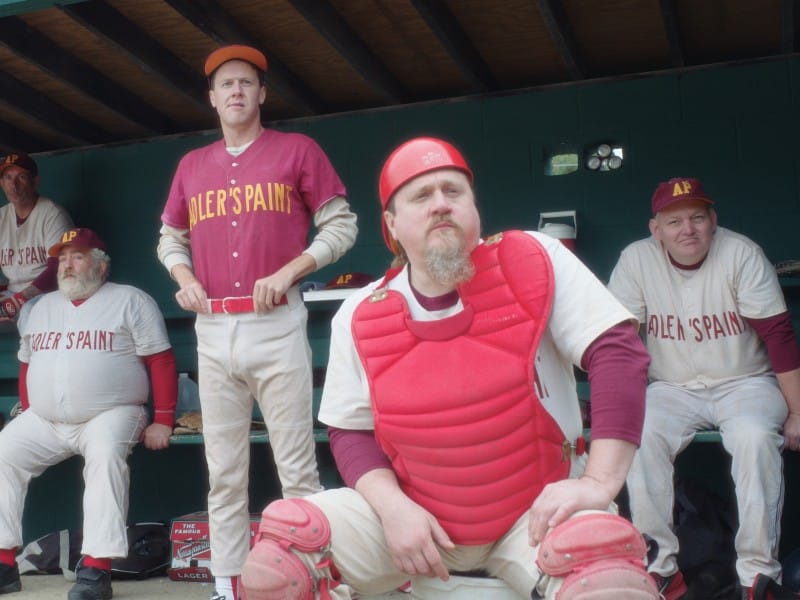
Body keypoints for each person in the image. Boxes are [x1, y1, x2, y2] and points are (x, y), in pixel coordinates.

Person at [239, 137, 659, 599]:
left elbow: (618, 351)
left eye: (453, 191)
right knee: (280, 561)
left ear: (474, 208)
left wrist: (599, 483)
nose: (440, 204)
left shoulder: (534, 259)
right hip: (416, 523)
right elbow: (349, 431)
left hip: (536, 515)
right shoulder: (359, 314)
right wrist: (393, 509)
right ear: (392, 224)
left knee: (608, 583)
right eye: (421, 195)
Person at [156, 44, 357, 600]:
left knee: (296, 467)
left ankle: (314, 579)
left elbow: (341, 225)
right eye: (226, 84)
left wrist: (293, 270)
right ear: (213, 98)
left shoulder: (297, 149)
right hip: (214, 326)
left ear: (262, 94)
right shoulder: (192, 165)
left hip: (275, 321)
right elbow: (170, 236)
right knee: (224, 471)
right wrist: (182, 275)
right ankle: (227, 585)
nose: (237, 91)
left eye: (246, 82)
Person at [607, 177, 800, 600]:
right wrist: (612, 413)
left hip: (745, 382)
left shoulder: (742, 253)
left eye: (697, 217)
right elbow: (618, 345)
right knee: (640, 436)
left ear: (713, 220)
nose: (687, 229)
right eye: (673, 221)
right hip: (671, 388)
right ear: (655, 229)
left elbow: (779, 336)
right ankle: (660, 568)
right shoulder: (637, 260)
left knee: (752, 439)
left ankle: (757, 577)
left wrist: (798, 412)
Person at [0, 227, 177, 599]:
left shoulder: (131, 300)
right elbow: (26, 364)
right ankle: (4, 562)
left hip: (113, 413)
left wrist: (163, 418)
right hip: (47, 420)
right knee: (4, 451)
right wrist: (31, 410)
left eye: (77, 256)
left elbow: (160, 360)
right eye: (62, 258)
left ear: (100, 265)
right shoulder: (40, 307)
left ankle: (97, 570)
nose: (66, 265)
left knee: (105, 456)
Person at [0, 152, 73, 321]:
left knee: (29, 313)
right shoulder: (2, 217)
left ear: (35, 182)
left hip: (49, 294)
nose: (14, 185)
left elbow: (58, 269)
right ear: (1, 183)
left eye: (22, 177)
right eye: (8, 177)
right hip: (13, 293)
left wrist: (19, 300)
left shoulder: (52, 214)